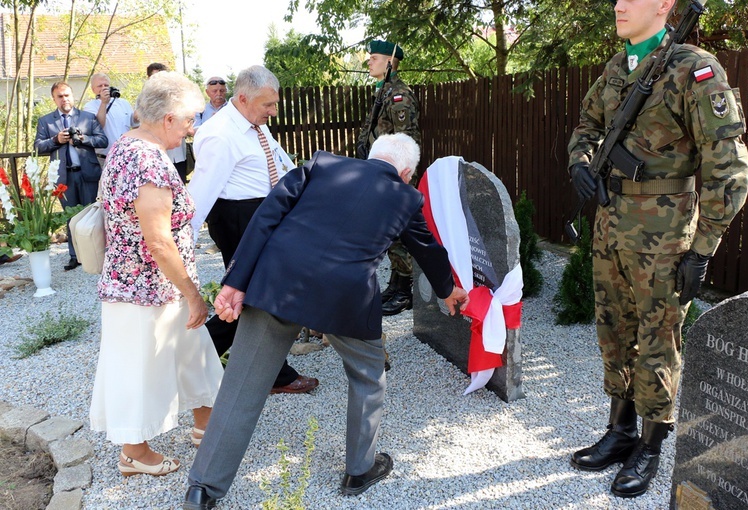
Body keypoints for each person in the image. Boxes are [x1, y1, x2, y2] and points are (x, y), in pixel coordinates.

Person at [182, 133, 469, 509]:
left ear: (371, 156)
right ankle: (359, 469)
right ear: (406, 172)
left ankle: (203, 488)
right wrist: (448, 291)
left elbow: (265, 218)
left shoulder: (321, 165)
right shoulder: (406, 196)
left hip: (276, 284)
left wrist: (235, 281)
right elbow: (426, 248)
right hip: (344, 300)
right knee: (368, 375)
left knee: (241, 387)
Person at [567, 0, 748, 499]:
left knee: (657, 337)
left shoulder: (695, 69)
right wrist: (581, 161)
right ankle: (620, 429)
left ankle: (650, 443)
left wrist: (703, 249)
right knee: (613, 329)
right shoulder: (616, 66)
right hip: (610, 224)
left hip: (666, 234)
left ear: (665, 5)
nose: (619, 5)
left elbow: (729, 170)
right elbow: (586, 125)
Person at [89, 71, 223, 477]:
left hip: (155, 284)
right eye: (190, 119)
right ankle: (133, 452)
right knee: (141, 367)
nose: (193, 126)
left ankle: (206, 424)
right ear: (168, 119)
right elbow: (159, 241)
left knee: (194, 354)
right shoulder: (147, 160)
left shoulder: (128, 144)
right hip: (145, 288)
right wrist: (193, 294)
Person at [188, 65, 318, 395]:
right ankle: (193, 360)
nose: (273, 112)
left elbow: (280, 163)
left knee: (258, 296)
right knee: (248, 296)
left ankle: (203, 361)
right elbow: (201, 192)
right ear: (243, 98)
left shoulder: (254, 123)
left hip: (263, 215)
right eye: (268, 105)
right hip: (238, 220)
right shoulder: (219, 134)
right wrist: (182, 243)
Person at [357, 40, 421, 317]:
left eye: (374, 58)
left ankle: (406, 291)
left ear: (390, 62)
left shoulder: (399, 95)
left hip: (396, 177)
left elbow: (407, 141)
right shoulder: (384, 92)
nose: (369, 62)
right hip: (381, 174)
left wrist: (402, 182)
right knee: (391, 234)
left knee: (401, 233)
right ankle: (396, 285)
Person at [34, 82, 108, 271]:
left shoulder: (88, 117)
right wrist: (55, 140)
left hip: (88, 174)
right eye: (60, 96)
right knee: (71, 218)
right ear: (54, 99)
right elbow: (38, 146)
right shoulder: (46, 121)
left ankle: (100, 253)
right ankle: (76, 257)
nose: (64, 99)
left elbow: (102, 140)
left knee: (94, 215)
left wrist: (84, 139)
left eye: (67, 95)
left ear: (72, 96)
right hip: (63, 177)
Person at [145, 63, 189, 183]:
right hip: (156, 156)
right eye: (155, 77)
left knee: (179, 188)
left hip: (178, 154)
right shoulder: (144, 100)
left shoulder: (179, 96)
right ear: (149, 79)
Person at [83, 73, 136, 163]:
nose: (104, 88)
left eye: (106, 85)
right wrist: (103, 103)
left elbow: (135, 123)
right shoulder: (89, 106)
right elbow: (98, 127)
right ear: (93, 89)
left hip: (126, 155)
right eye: (100, 86)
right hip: (104, 158)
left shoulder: (123, 103)